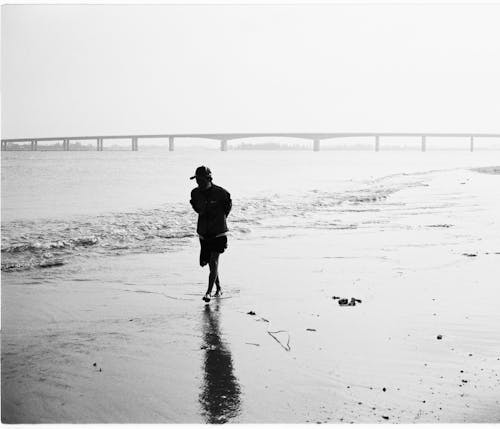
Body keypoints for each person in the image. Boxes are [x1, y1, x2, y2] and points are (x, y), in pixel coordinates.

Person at [190, 166, 232, 302]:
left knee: (213, 261)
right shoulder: (195, 193)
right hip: (204, 233)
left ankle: (208, 292)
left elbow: (227, 208)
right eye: (197, 180)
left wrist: (219, 220)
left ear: (209, 179)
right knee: (210, 263)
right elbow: (197, 209)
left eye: (201, 180)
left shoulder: (221, 193)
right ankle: (219, 288)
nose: (199, 183)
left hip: (219, 233)